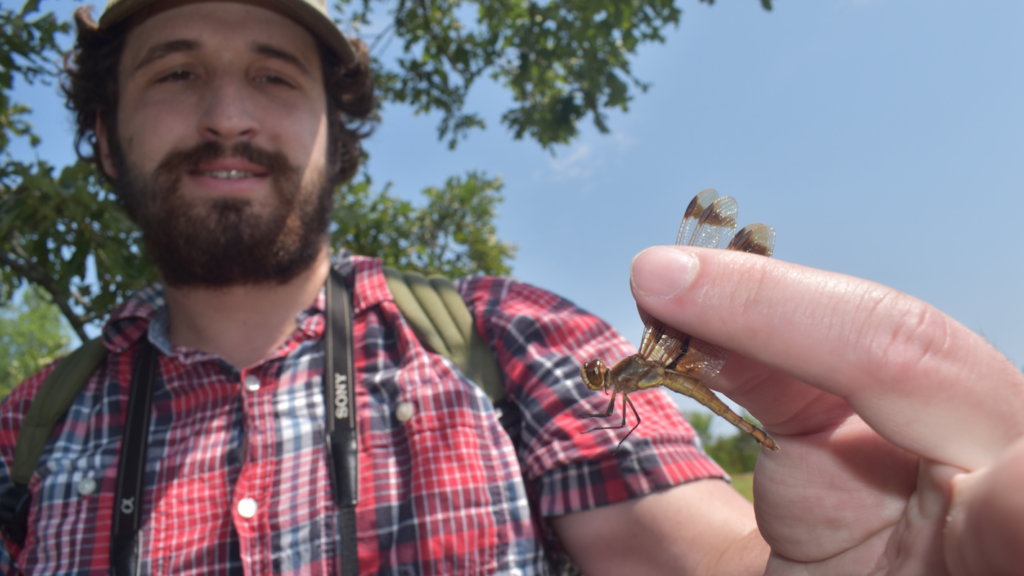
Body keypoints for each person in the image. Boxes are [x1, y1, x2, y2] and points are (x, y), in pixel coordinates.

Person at [0, 0, 769, 573]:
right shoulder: (24, 431)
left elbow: (716, 553)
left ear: (337, 139)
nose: (227, 117)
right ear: (104, 137)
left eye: (273, 75)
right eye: (176, 72)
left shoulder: (520, 342)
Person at [628, 245, 1024, 575]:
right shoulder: (613, 384)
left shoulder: (594, 349)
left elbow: (709, 556)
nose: (595, 377)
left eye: (596, 373)